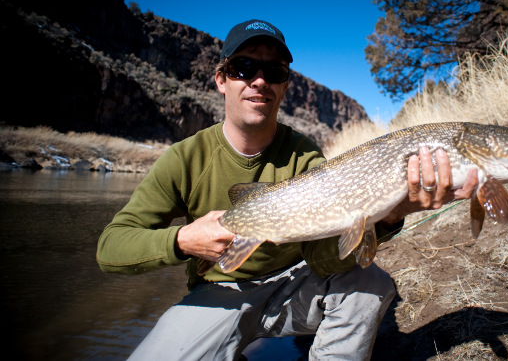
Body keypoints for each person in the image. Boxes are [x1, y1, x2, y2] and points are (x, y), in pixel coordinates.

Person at [96, 19, 478, 360]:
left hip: (292, 288)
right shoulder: (183, 158)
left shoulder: (305, 153)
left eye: (274, 71)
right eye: (244, 67)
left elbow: (328, 260)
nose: (259, 80)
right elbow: (111, 248)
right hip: (219, 294)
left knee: (371, 282)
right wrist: (182, 240)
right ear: (221, 79)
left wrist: (393, 212)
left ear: (284, 85)